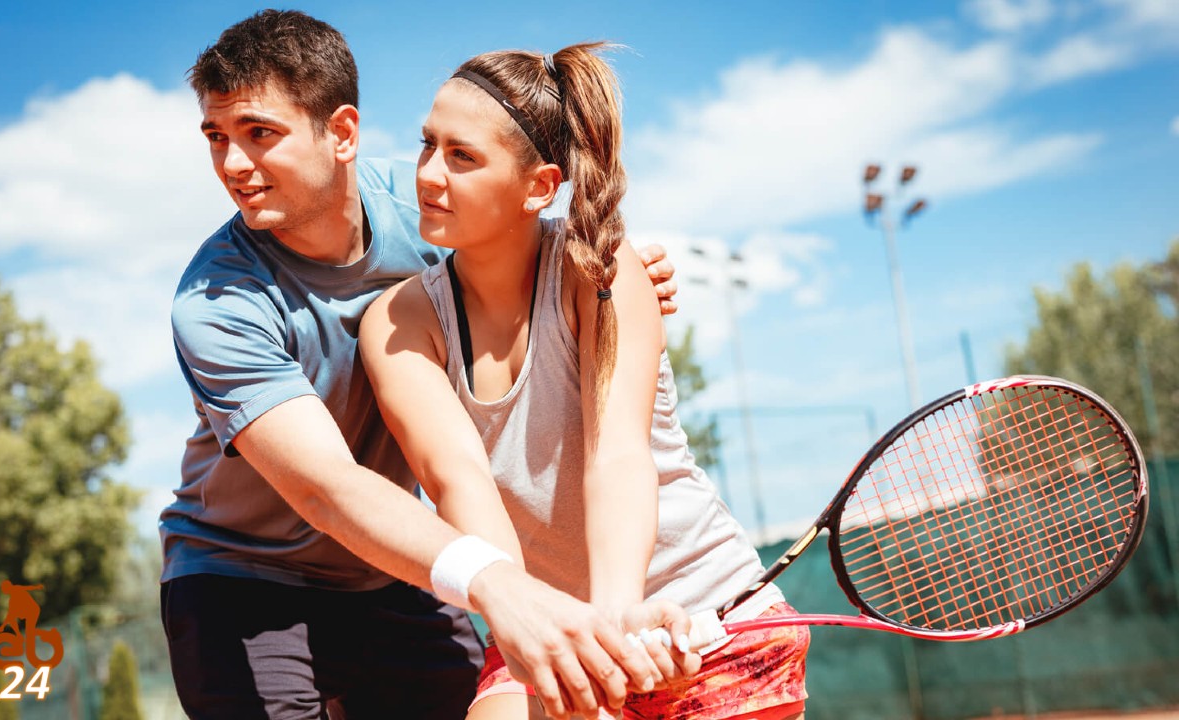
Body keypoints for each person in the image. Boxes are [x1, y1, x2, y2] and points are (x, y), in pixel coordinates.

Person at [159, 10, 685, 720]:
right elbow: (327, 489)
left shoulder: (428, 203)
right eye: (216, 138)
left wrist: (611, 272)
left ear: (341, 132)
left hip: (393, 563)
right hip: (244, 581)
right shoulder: (215, 302)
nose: (232, 165)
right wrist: (500, 584)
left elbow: (530, 238)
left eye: (260, 134)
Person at [358, 43, 810, 719]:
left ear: (539, 186)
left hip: (707, 622)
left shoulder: (600, 269)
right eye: (427, 144)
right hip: (550, 630)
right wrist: (558, 630)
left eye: (462, 156)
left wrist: (618, 617)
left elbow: (618, 457)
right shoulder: (398, 321)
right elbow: (459, 482)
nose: (427, 173)